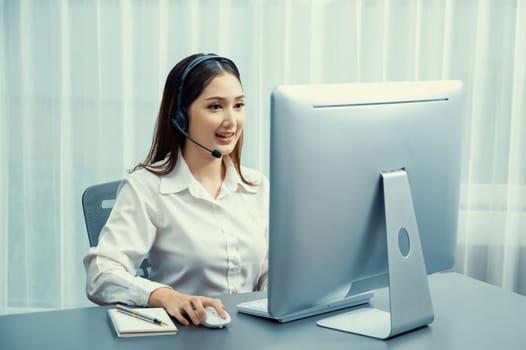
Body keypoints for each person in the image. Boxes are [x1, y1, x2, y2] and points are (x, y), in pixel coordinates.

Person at [83, 53, 269, 327]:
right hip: (185, 337)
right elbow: (101, 275)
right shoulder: (147, 187)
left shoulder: (257, 186)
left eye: (238, 105)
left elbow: (267, 270)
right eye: (216, 107)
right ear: (181, 116)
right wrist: (163, 296)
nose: (232, 120)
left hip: (253, 334)